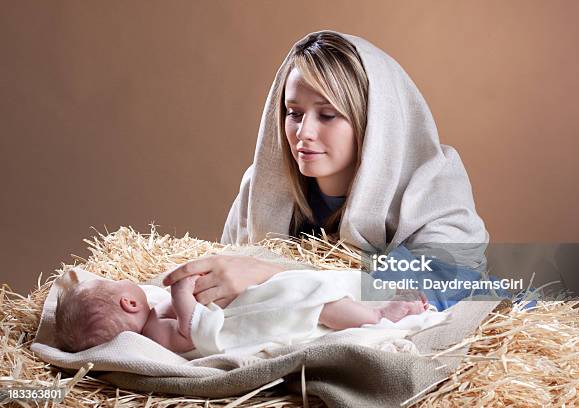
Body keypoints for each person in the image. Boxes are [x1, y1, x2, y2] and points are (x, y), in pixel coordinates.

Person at [163, 30, 504, 312]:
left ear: (372, 123)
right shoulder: (262, 187)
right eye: (294, 113)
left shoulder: (433, 183)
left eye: (327, 115)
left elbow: (434, 291)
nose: (303, 132)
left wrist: (271, 275)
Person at [54, 269, 428, 354]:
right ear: (129, 302)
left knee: (307, 289)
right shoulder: (155, 334)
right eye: (115, 282)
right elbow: (192, 334)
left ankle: (369, 307)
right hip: (253, 320)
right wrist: (183, 293)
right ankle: (379, 318)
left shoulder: (152, 311)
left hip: (251, 302)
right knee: (313, 302)